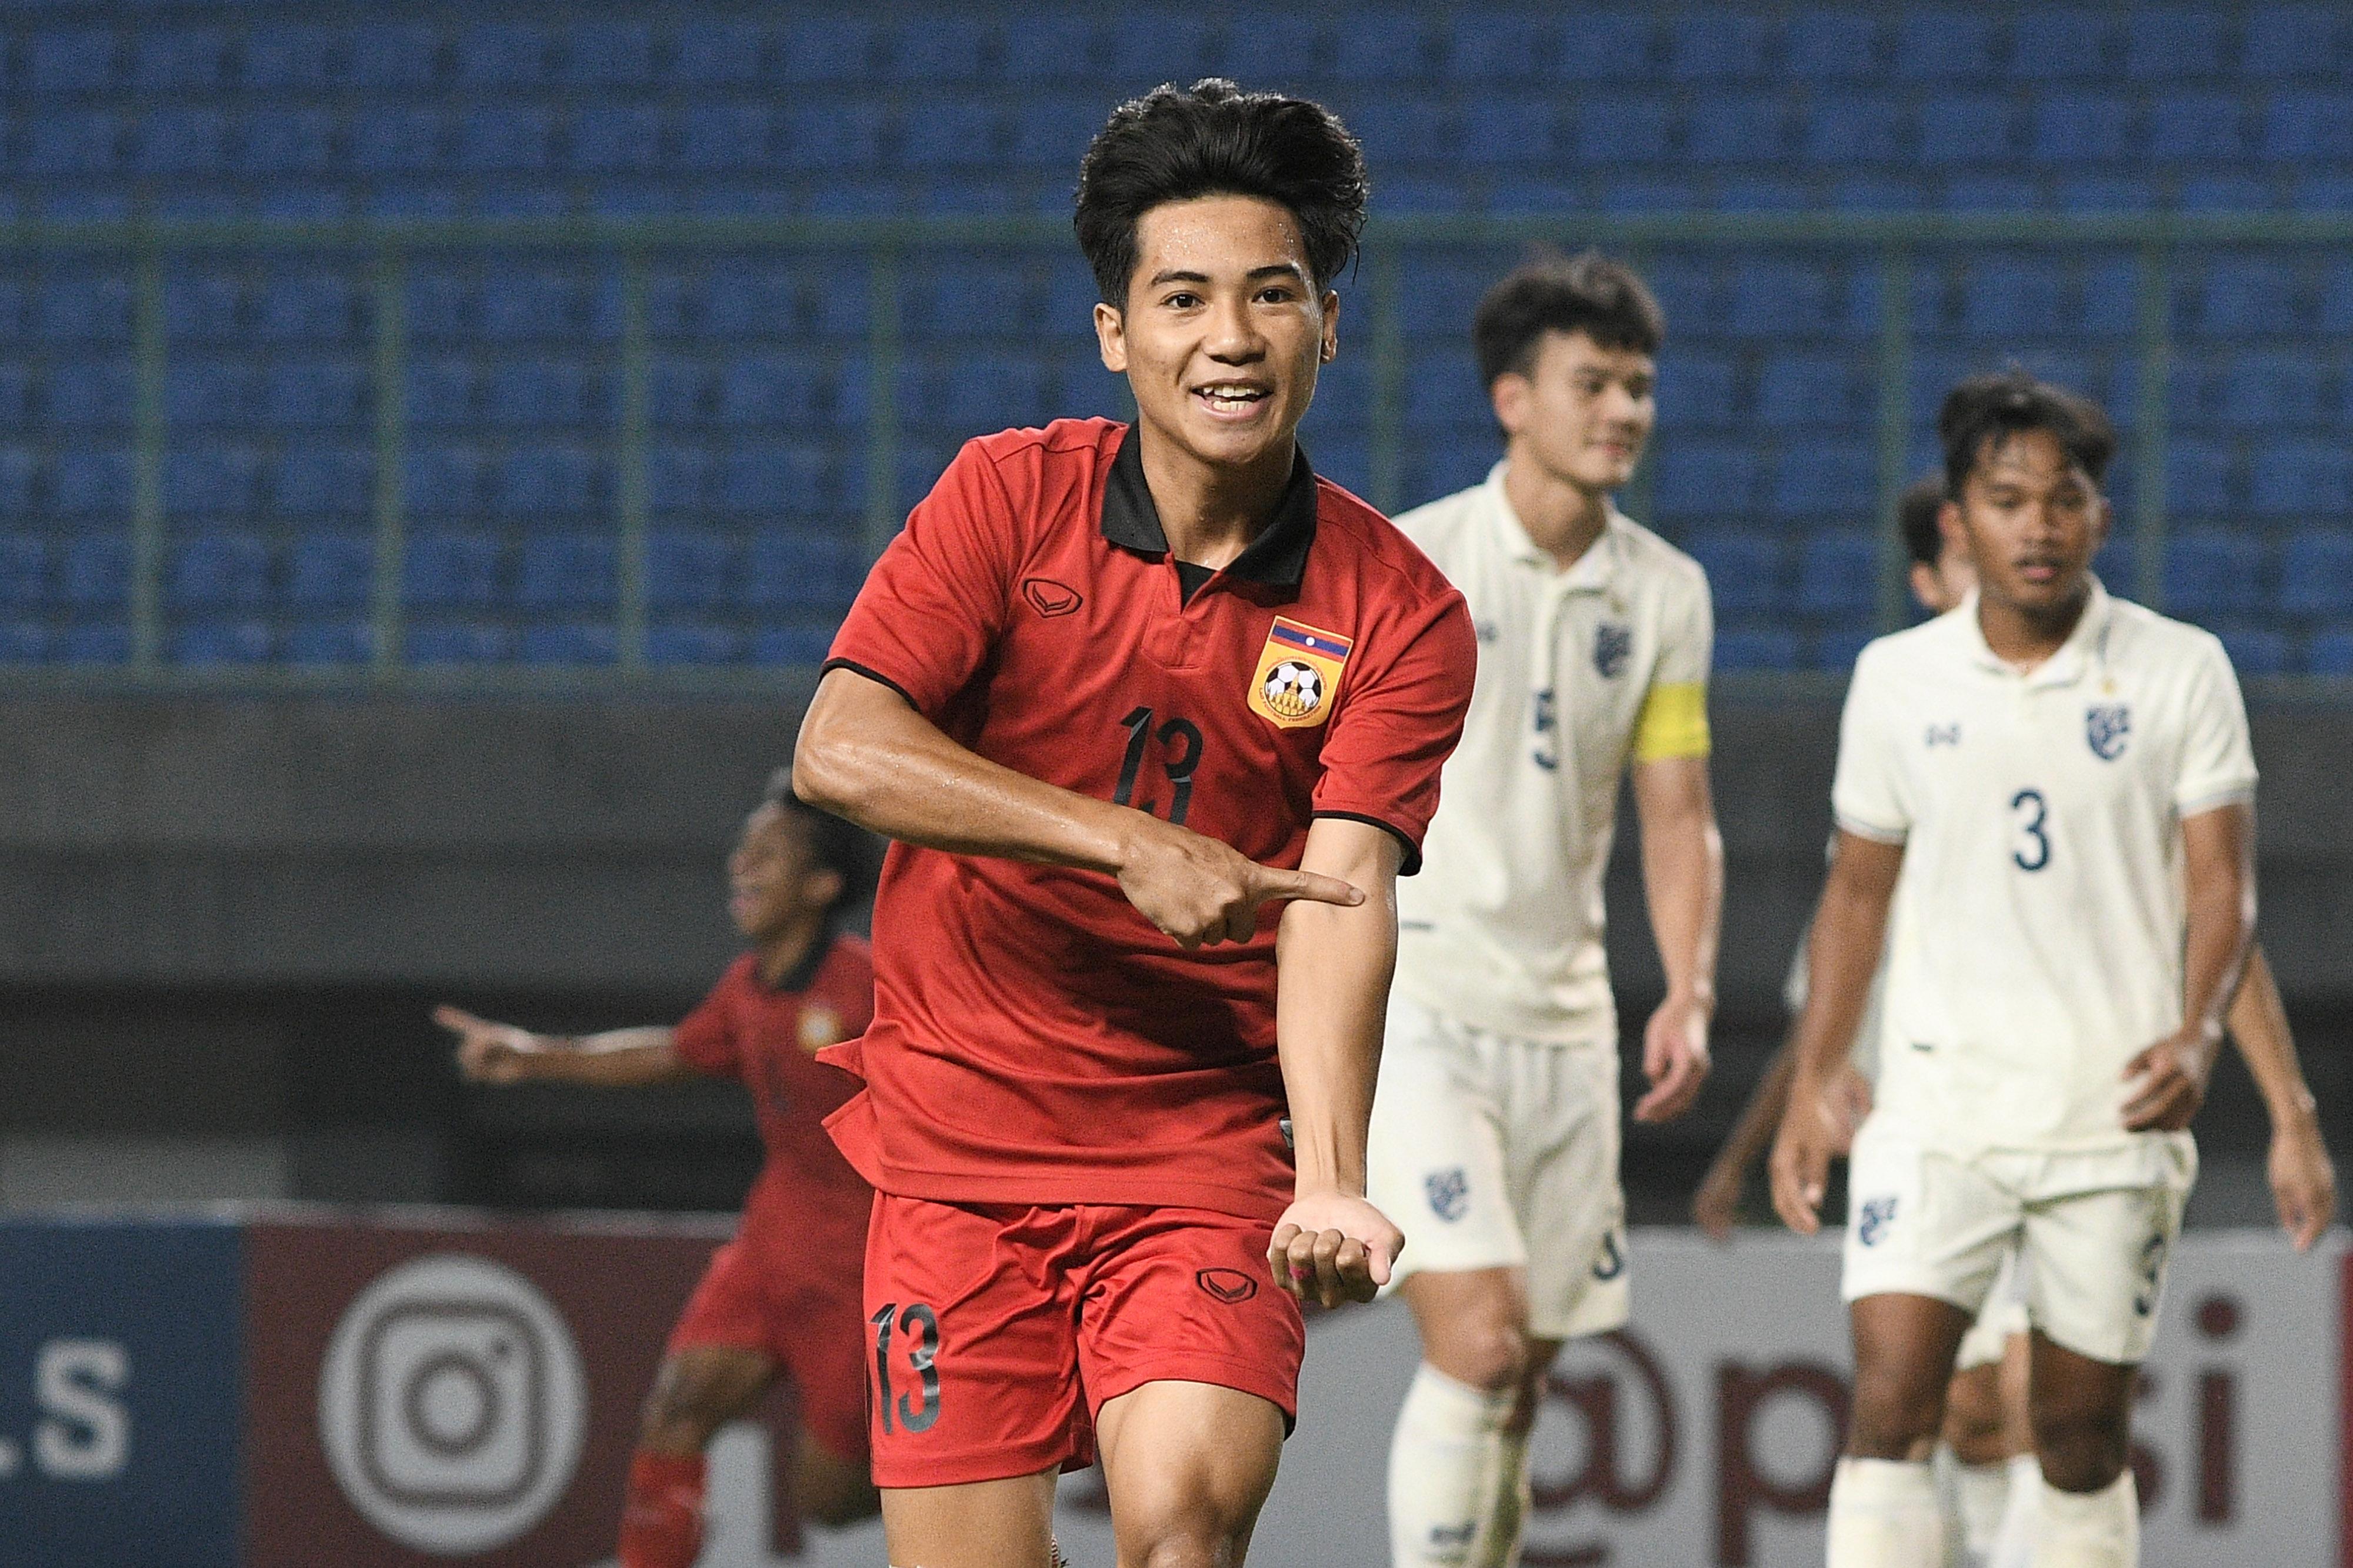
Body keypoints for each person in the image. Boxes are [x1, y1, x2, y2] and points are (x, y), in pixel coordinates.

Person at [789, 80, 1477, 1568]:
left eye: (1270, 295)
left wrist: (1332, 1176)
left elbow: (1342, 901)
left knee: (1179, 1529)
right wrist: (1119, 839)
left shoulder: (1400, 612)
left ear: (1326, 322)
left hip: (1197, 1153)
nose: (1228, 338)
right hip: (955, 1144)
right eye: (1183, 299)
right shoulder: (1001, 499)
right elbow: (839, 750)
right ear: (1119, 334)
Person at [1701, 474, 2335, 1567]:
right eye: (1980, 546)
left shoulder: (2133, 701)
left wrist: (2288, 1106)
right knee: (1936, 1410)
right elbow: (1834, 971)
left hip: (2085, 1112)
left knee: (2035, 1421)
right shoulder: (1904, 726)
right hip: (1937, 1120)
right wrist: (1777, 1122)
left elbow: (2219, 925)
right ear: (1938, 568)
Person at [1368, 251, 1721, 1568]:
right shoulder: (1408, 560)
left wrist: (1683, 984)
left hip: (1566, 1019)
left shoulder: (1666, 591)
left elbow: (1674, 809)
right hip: (1421, 999)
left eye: (1636, 385)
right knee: (1480, 1338)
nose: (1622, 408)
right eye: (1593, 382)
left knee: (1520, 1384)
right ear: (1513, 399)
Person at [435, 771, 881, 1568]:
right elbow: (673, 1053)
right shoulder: (746, 989)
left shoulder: (870, 986)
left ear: (821, 884)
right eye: (744, 846)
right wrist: (536, 1055)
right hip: (770, 1246)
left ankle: (960, 1452)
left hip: (858, 1274)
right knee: (677, 1405)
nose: (742, 864)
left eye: (769, 853)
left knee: (830, 1502)